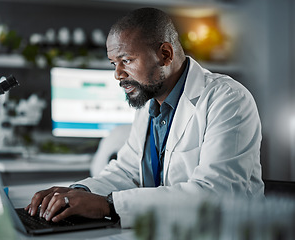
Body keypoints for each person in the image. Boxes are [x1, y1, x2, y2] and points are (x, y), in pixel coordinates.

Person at [25, 7, 264, 227]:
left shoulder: (228, 100)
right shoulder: (148, 103)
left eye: (126, 60)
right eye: (113, 63)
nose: (117, 75)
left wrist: (108, 205)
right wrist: (76, 192)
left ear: (165, 54)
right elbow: (127, 172)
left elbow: (215, 195)